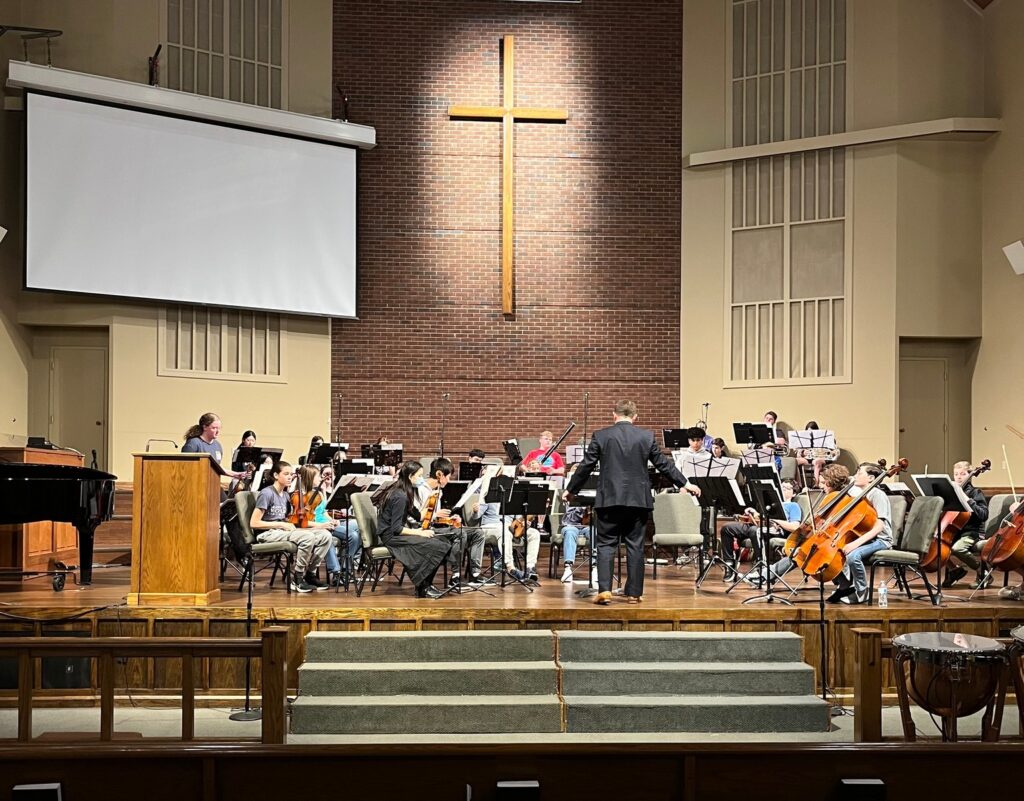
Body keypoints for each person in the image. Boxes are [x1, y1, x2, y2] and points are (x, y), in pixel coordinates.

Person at [563, 400, 698, 605]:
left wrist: (571, 489)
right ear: (635, 417)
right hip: (638, 500)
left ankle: (605, 590)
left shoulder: (602, 435)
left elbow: (586, 465)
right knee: (635, 546)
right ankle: (634, 593)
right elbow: (663, 464)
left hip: (610, 499)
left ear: (613, 415)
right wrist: (685, 483)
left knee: (606, 544)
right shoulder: (646, 436)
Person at [372, 460, 453, 599]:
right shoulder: (399, 496)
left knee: (444, 543)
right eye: (419, 476)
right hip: (391, 537)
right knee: (437, 546)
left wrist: (429, 500)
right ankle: (423, 587)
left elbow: (419, 516)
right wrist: (420, 533)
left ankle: (425, 585)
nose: (422, 479)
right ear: (410, 477)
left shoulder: (406, 492)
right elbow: (396, 528)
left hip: (397, 534)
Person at [248, 460, 333, 593]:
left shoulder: (286, 495)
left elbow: (291, 519)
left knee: (325, 535)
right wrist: (281, 524)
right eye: (286, 474)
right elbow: (254, 523)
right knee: (307, 536)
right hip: (267, 533)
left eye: (291, 474)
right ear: (276, 475)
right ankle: (297, 578)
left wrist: (316, 524)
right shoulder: (267, 493)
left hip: (283, 530)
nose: (290, 477)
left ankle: (310, 573)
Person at [825, 462, 893, 605]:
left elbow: (879, 527)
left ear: (870, 478)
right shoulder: (857, 492)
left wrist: (855, 543)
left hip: (880, 540)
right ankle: (845, 585)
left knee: (852, 555)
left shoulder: (878, 495)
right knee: (830, 553)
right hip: (865, 537)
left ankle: (862, 591)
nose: (855, 476)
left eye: (859, 473)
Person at [415, 457, 485, 587]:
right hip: (423, 530)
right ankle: (455, 576)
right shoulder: (421, 490)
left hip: (435, 526)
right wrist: (436, 515)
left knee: (478, 533)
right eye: (448, 477)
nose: (449, 480)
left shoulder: (437, 491)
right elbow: (415, 517)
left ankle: (474, 574)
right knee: (460, 533)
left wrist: (449, 519)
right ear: (439, 474)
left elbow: (434, 517)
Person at [720, 478, 803, 579]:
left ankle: (762, 570)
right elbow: (761, 517)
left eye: (786, 488)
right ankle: (730, 565)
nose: (782, 489)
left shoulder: (793, 506)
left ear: (794, 493)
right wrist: (754, 512)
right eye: (781, 487)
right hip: (759, 524)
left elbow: (795, 527)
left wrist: (775, 520)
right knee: (727, 528)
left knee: (755, 531)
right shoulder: (771, 503)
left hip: (775, 529)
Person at [299, 464, 362, 587]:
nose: (320, 479)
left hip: (326, 524)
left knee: (354, 535)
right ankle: (336, 572)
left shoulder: (319, 493)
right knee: (344, 536)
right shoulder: (302, 496)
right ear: (310, 478)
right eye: (318, 476)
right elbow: (302, 522)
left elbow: (322, 512)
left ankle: (345, 570)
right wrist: (322, 525)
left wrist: (332, 520)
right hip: (316, 528)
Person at [943, 461, 991, 589]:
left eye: (963, 474)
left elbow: (984, 514)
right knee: (934, 546)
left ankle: (982, 571)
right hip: (954, 532)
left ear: (970, 475)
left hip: (972, 532)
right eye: (956, 474)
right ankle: (954, 571)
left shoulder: (975, 493)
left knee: (958, 548)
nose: (958, 477)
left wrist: (967, 499)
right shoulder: (952, 494)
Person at [182, 412, 246, 479]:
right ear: (205, 427)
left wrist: (236, 474)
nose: (218, 431)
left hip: (213, 483)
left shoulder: (217, 445)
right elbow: (185, 467)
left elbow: (217, 468)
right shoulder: (193, 443)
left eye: (219, 428)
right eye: (214, 428)